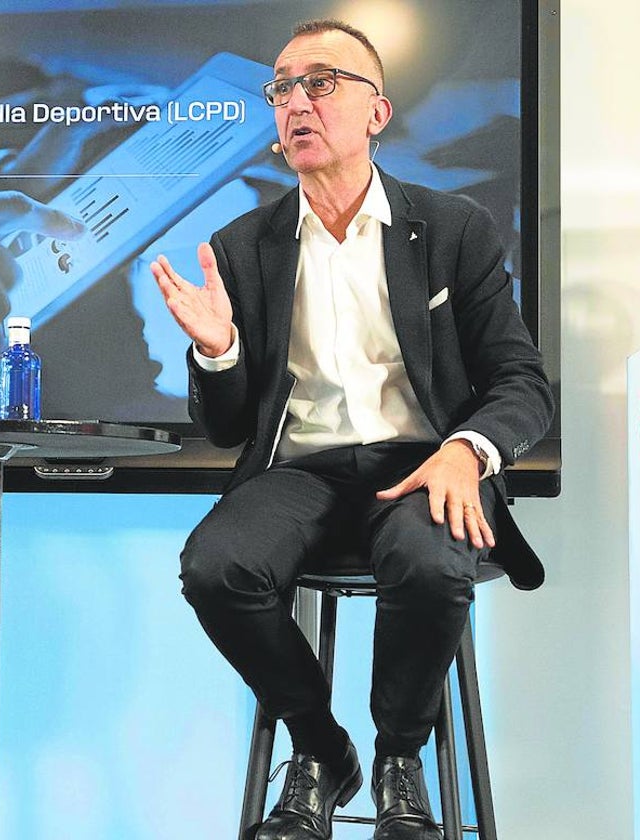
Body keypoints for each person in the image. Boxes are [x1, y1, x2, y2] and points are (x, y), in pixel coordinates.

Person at [151, 19, 553, 840]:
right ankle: (321, 749)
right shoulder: (241, 246)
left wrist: (465, 451)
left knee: (432, 561)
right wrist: (219, 350)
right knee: (213, 567)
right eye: (282, 88)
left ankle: (400, 755)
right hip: (299, 470)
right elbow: (228, 428)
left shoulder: (453, 229)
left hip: (418, 462)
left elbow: (520, 382)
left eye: (321, 82)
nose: (297, 101)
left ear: (378, 111)